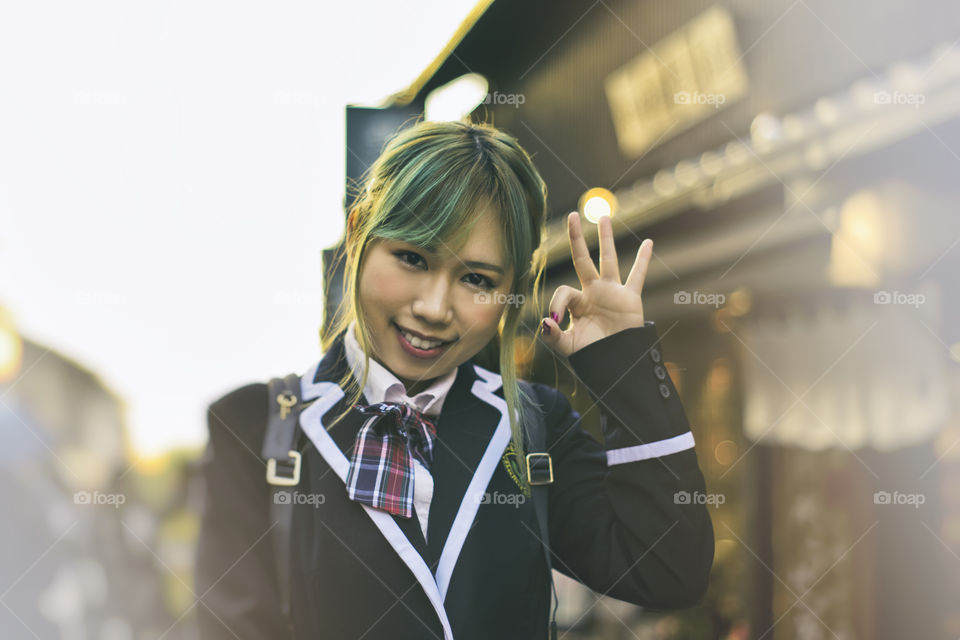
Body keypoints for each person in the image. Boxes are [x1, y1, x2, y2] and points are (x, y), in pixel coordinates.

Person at [194, 119, 715, 640]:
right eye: (412, 258)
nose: (434, 308)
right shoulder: (255, 430)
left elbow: (668, 572)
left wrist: (622, 365)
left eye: (476, 280)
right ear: (358, 235)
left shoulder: (533, 426)